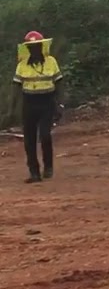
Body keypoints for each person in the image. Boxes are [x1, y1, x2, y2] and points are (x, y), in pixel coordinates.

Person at [12, 31, 63, 183]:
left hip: (47, 102)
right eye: (31, 47)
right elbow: (16, 87)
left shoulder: (51, 61)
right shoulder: (21, 65)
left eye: (37, 46)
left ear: (41, 46)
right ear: (28, 49)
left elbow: (59, 83)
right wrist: (13, 108)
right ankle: (34, 172)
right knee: (29, 140)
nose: (34, 49)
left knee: (45, 135)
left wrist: (60, 104)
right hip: (29, 103)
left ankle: (48, 166)